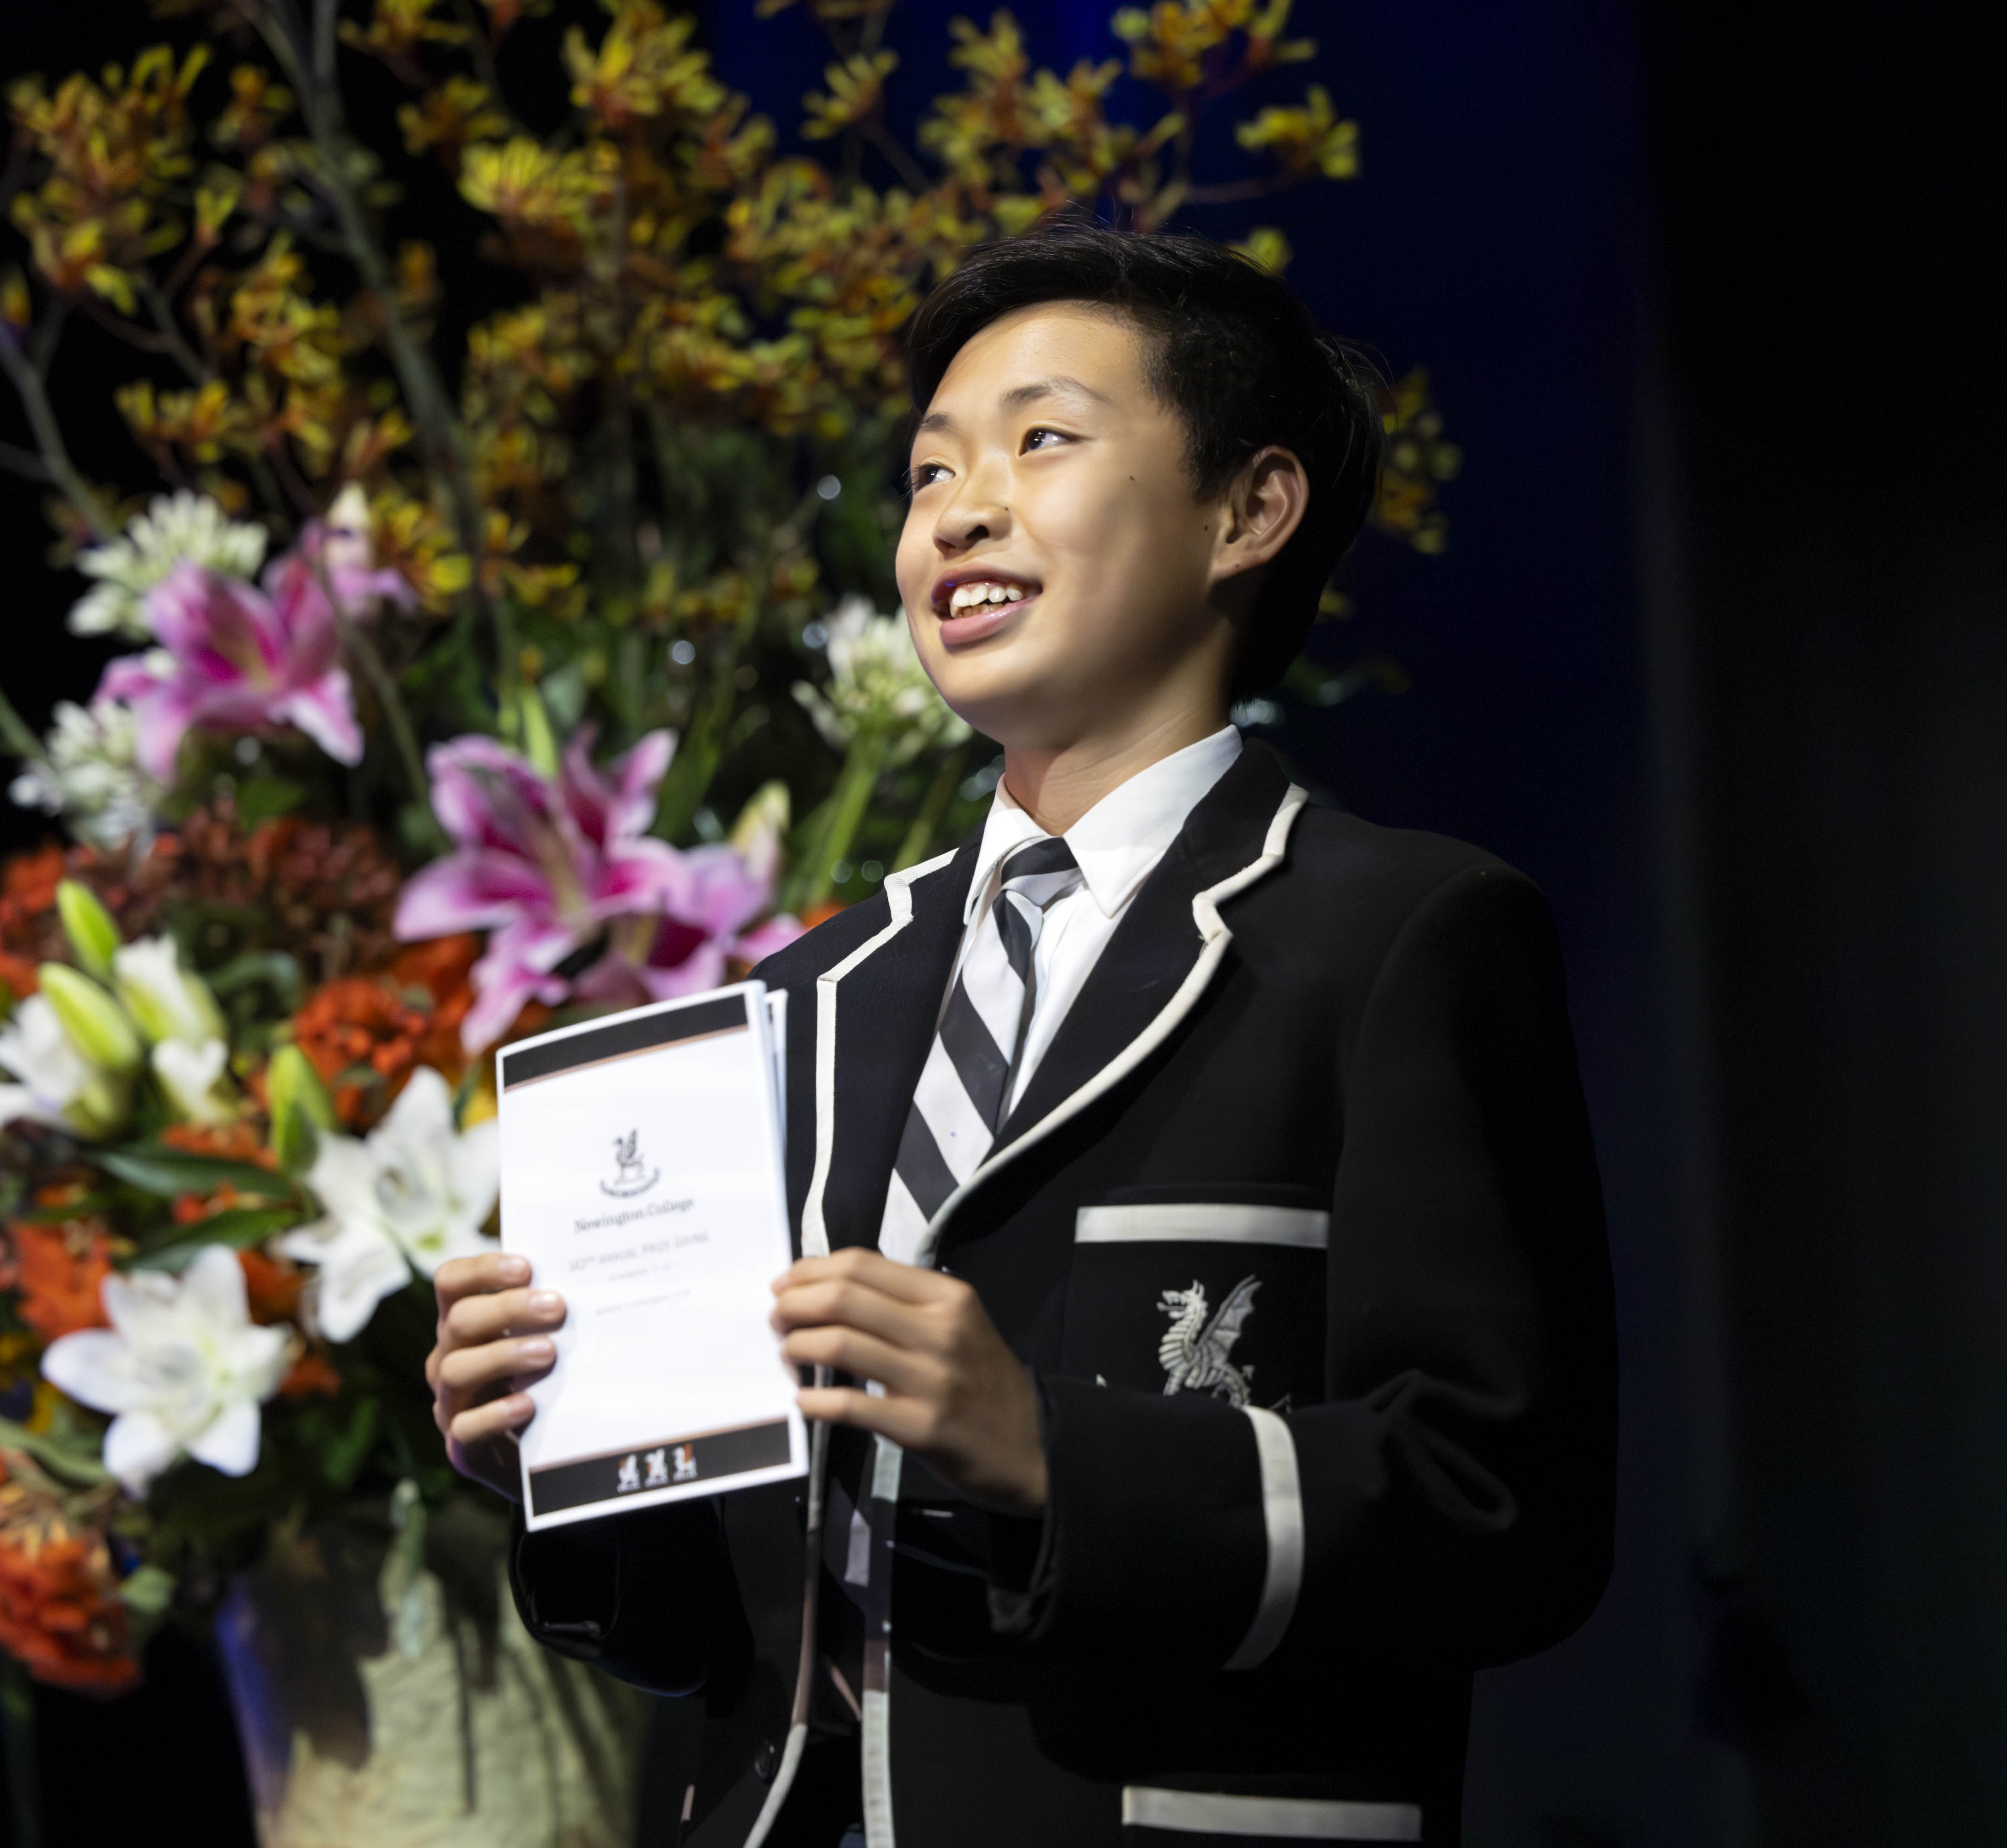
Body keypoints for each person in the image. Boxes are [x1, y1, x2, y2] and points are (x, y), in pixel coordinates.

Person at [427, 222, 1615, 1848]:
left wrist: (1056, 1452)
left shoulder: (1399, 937)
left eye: (1041, 441)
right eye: (930, 472)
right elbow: (727, 1638)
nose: (959, 511)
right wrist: (568, 1450)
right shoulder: (802, 998)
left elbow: (1502, 1513)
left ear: (1249, 511)